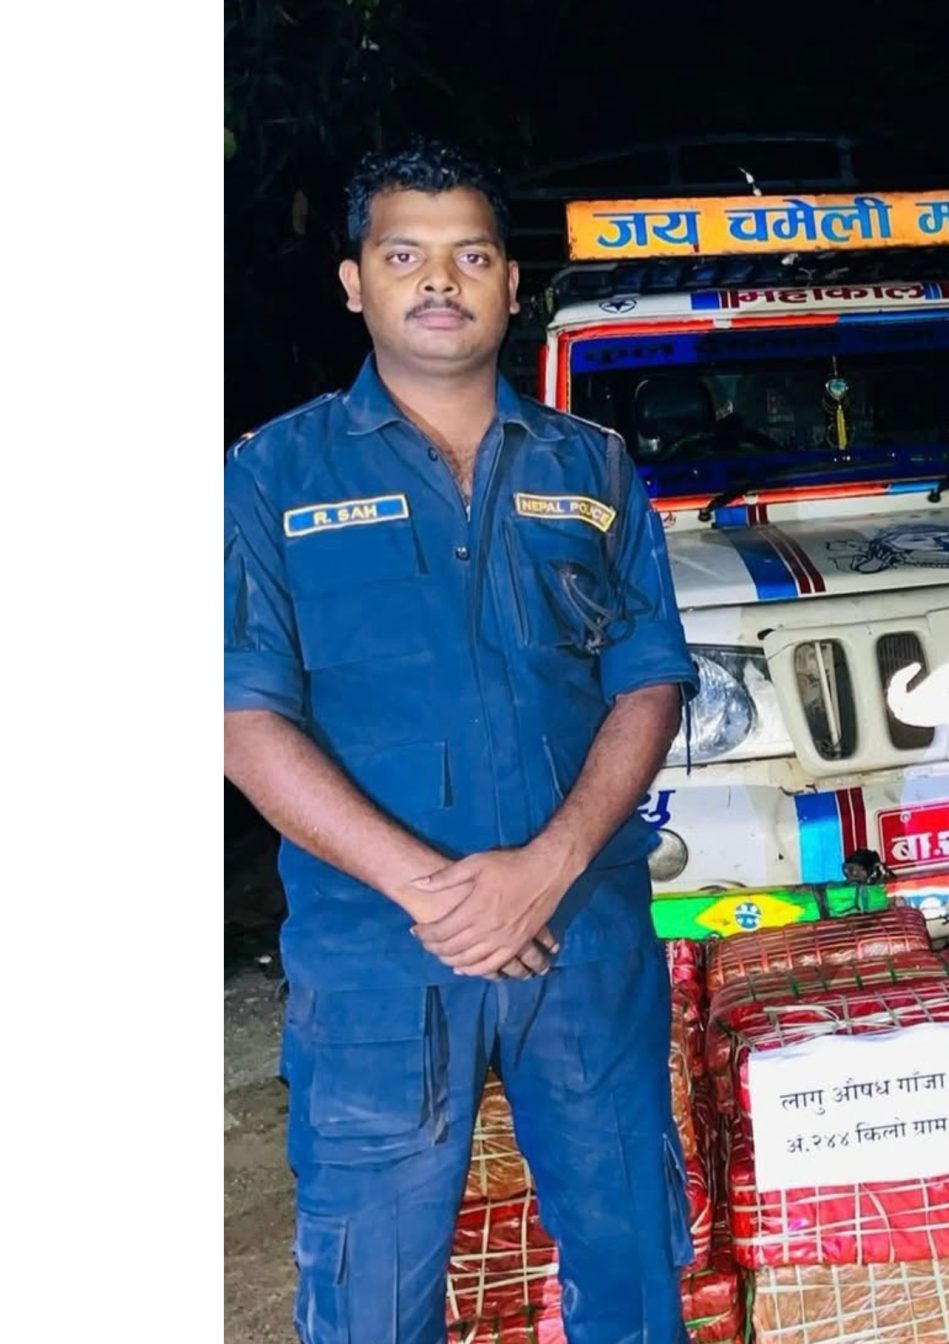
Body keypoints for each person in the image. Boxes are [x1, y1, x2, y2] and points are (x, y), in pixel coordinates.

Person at [224, 138, 700, 1343]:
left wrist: (547, 864)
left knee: (633, 1272)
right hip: (377, 959)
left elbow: (649, 679)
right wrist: (434, 895)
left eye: (470, 256)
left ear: (509, 283)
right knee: (372, 1298)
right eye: (405, 256)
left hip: (581, 939)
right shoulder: (269, 474)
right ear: (355, 283)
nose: (439, 280)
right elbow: (239, 714)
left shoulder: (591, 467)